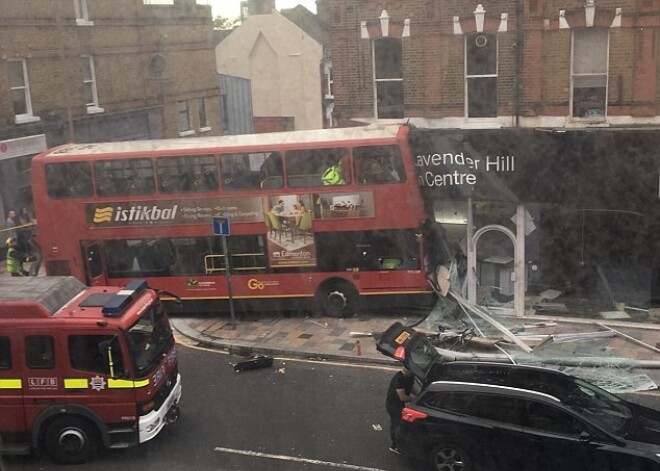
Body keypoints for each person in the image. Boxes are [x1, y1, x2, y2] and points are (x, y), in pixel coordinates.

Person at [385, 365, 415, 454]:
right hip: (393, 405)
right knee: (396, 424)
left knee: (402, 423)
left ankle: (401, 442)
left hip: (400, 404)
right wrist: (415, 399)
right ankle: (394, 445)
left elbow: (412, 388)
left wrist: (420, 394)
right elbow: (402, 397)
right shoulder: (399, 379)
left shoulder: (410, 376)